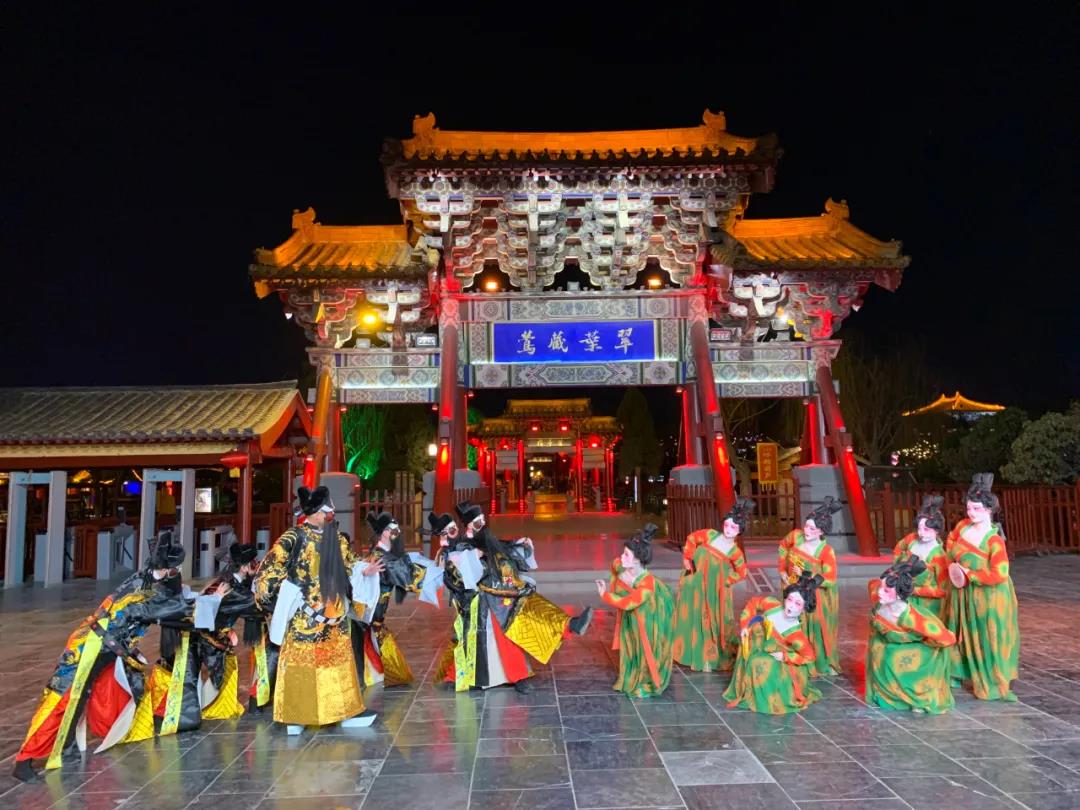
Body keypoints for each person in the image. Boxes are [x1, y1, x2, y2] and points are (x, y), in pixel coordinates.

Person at [13, 531, 191, 781]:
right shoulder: (139, 589)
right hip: (89, 647)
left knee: (96, 695)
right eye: (176, 568)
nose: (178, 572)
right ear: (166, 569)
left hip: (110, 648)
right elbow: (165, 609)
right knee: (62, 698)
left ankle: (66, 746)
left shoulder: (150, 582)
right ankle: (24, 760)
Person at [254, 485, 383, 735]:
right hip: (305, 615)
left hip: (334, 612)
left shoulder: (336, 538)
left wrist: (364, 570)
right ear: (313, 513)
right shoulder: (294, 537)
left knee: (338, 661)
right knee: (302, 663)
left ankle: (344, 711)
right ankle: (297, 715)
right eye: (326, 512)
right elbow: (269, 568)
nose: (330, 516)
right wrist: (287, 589)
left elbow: (350, 563)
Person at [453, 501, 592, 692]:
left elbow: (504, 548)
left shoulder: (486, 539)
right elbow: (461, 571)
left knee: (534, 608)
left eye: (483, 520)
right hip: (487, 601)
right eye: (478, 522)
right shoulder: (463, 546)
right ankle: (518, 676)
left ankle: (569, 624)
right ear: (468, 525)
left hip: (506, 593)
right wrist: (472, 556)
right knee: (509, 635)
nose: (483, 524)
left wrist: (520, 544)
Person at [944, 473, 1019, 701]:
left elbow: (1000, 573)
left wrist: (971, 575)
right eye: (969, 508)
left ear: (989, 510)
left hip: (989, 596)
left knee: (987, 637)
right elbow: (950, 540)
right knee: (961, 631)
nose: (971, 513)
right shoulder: (963, 526)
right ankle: (958, 673)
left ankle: (991, 681)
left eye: (976, 509)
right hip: (963, 592)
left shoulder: (994, 540)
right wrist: (954, 563)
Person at [723, 572, 823, 714]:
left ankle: (761, 696)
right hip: (755, 644)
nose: (791, 606)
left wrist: (785, 656)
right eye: (790, 599)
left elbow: (809, 656)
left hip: (774, 656)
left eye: (798, 603)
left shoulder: (796, 635)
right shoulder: (772, 605)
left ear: (804, 609)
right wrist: (745, 625)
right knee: (747, 652)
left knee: (758, 663)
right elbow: (754, 602)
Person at [866, 556, 956, 714]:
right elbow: (872, 584)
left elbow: (946, 638)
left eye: (886, 590)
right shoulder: (879, 601)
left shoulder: (910, 618)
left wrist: (926, 644)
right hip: (887, 643)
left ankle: (916, 697)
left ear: (900, 594)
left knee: (896, 657)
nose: (880, 592)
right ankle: (887, 695)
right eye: (881, 587)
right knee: (881, 652)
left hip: (911, 647)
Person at [672, 498, 752, 672]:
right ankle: (686, 653)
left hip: (714, 592)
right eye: (727, 525)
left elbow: (741, 572)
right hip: (694, 583)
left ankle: (708, 656)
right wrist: (687, 557)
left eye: (733, 527)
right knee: (690, 615)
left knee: (710, 621)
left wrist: (725, 581)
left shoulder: (735, 552)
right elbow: (692, 538)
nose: (728, 529)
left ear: (739, 531)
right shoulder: (710, 534)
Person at [595, 524, 675, 698]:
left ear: (637, 560)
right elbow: (614, 565)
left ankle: (646, 681)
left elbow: (628, 603)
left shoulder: (647, 583)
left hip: (649, 618)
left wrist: (605, 595)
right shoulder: (620, 566)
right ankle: (630, 676)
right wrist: (614, 586)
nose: (621, 557)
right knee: (631, 645)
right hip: (632, 618)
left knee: (645, 648)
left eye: (626, 555)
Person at [352, 511, 427, 687]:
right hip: (370, 616)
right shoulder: (382, 558)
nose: (398, 533)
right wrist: (438, 572)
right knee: (387, 662)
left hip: (373, 616)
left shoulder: (383, 554)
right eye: (394, 530)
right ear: (385, 533)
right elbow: (408, 577)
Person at [195, 541, 262, 720]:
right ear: (244, 567)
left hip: (214, 634)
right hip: (210, 637)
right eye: (254, 563)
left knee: (224, 670)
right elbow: (256, 604)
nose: (256, 566)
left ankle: (212, 706)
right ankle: (211, 709)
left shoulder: (226, 579)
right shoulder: (231, 588)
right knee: (219, 674)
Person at [777, 497, 841, 676]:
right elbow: (782, 547)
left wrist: (806, 573)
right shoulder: (795, 536)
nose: (807, 531)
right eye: (806, 526)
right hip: (793, 588)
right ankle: (792, 656)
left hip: (814, 596)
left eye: (812, 529)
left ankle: (816, 661)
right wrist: (782, 569)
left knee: (815, 627)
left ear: (822, 531)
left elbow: (830, 579)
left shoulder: (826, 551)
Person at [870, 495, 949, 619]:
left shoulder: (939, 556)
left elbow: (943, 590)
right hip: (903, 598)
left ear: (937, 530)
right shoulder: (912, 539)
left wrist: (912, 590)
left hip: (926, 606)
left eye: (927, 529)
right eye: (919, 528)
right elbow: (899, 548)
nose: (921, 533)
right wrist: (897, 568)